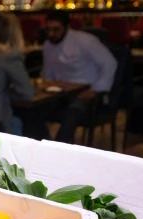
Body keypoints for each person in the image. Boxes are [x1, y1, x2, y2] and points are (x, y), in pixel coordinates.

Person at [42, 11, 117, 143]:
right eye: (48, 30)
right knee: (34, 110)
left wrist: (95, 90)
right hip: (61, 93)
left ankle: (59, 149)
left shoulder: (85, 41)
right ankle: (41, 146)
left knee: (73, 112)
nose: (51, 34)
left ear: (67, 27)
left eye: (56, 30)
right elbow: (48, 74)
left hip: (88, 93)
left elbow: (110, 63)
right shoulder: (48, 46)